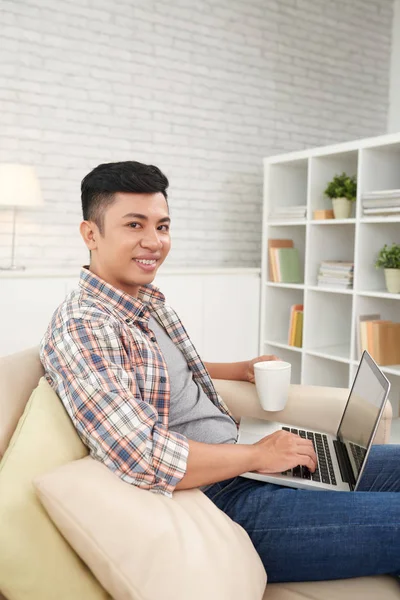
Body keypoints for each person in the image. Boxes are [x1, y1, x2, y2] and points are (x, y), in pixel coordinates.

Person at [41, 161, 400, 584]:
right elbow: (142, 454)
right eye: (134, 225)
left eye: (162, 225)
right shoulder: (84, 327)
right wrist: (258, 454)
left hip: (240, 464)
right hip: (222, 499)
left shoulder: (142, 302)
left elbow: (153, 367)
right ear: (91, 234)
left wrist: (237, 370)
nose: (154, 242)